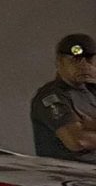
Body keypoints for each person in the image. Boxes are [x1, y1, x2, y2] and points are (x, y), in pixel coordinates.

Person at [32, 33, 96, 161]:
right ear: (59, 62)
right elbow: (77, 141)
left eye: (89, 60)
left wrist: (87, 126)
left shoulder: (92, 90)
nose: (84, 66)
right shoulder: (51, 96)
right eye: (76, 60)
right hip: (68, 170)